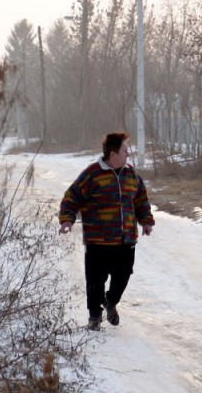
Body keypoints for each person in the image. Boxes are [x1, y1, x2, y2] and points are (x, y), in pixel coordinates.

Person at [59, 132, 155, 329]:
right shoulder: (92, 174)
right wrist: (67, 219)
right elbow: (72, 197)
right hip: (98, 240)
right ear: (113, 153)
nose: (128, 154)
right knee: (95, 281)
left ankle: (110, 302)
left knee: (123, 276)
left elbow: (141, 200)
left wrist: (146, 221)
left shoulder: (131, 174)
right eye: (125, 150)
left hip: (126, 239)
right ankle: (94, 318)